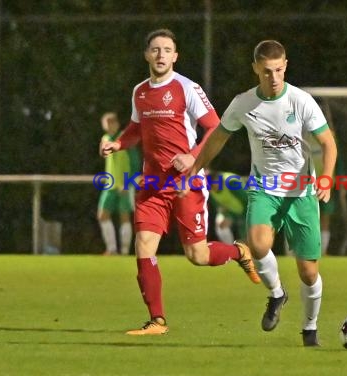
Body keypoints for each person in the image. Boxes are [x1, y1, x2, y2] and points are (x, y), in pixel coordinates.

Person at [99, 29, 260, 335]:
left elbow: (216, 128)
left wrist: (192, 156)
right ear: (147, 55)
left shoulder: (187, 88)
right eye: (155, 49)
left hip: (187, 183)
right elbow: (135, 128)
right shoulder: (140, 92)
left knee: (197, 255)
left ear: (176, 56)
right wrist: (118, 144)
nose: (161, 55)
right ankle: (157, 320)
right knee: (144, 245)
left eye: (167, 50)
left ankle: (239, 251)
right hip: (152, 184)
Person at [183, 40, 337, 346]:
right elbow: (218, 137)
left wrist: (327, 179)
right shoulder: (243, 103)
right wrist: (196, 166)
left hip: (302, 192)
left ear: (285, 66)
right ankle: (277, 294)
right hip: (263, 189)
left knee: (308, 272)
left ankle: (310, 329)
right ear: (256, 69)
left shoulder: (301, 101)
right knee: (257, 243)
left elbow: (328, 143)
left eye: (279, 70)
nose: (274, 77)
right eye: (267, 71)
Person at [97, 112, 142, 255]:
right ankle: (111, 249)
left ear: (116, 123)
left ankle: (123, 251)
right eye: (106, 123)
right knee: (102, 215)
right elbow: (103, 153)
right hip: (110, 185)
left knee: (124, 216)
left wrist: (128, 182)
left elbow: (135, 162)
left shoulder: (124, 137)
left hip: (125, 184)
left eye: (111, 122)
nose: (108, 125)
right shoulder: (105, 138)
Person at [207, 170, 248, 244]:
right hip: (235, 213)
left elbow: (249, 202)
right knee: (220, 224)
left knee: (250, 239)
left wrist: (233, 218)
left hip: (250, 210)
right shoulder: (211, 189)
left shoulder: (232, 183)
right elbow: (221, 208)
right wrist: (228, 216)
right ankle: (230, 249)